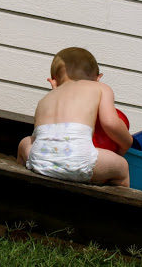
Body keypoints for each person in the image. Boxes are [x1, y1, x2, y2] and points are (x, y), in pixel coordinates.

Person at [16, 47, 133, 187]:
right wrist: (126, 144)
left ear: (53, 81)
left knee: (25, 142)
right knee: (122, 167)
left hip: (40, 160)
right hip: (79, 161)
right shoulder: (100, 88)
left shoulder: (46, 98)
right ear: (98, 78)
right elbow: (110, 123)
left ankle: (20, 182)